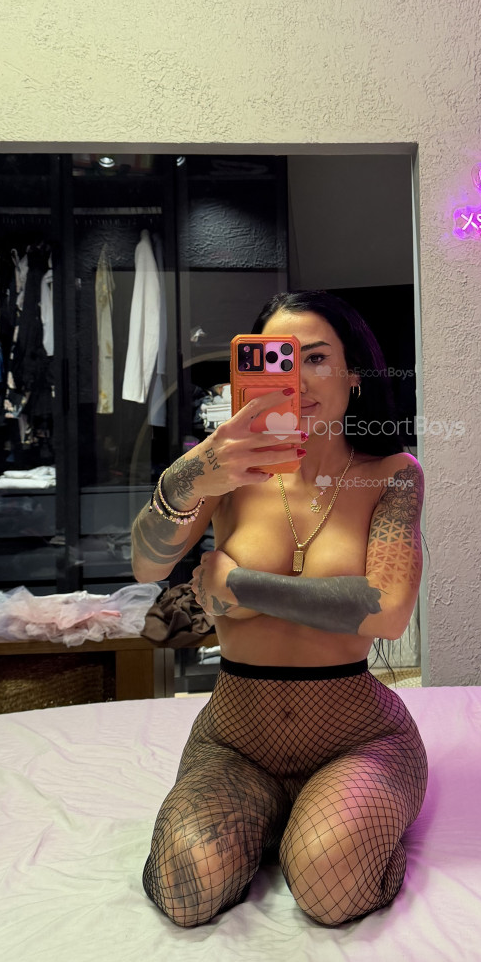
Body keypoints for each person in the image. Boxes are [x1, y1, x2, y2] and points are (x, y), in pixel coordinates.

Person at [132, 290, 428, 927]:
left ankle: (314, 826)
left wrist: (240, 587)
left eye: (315, 358)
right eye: (276, 359)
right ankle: (272, 820)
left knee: (331, 890)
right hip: (237, 742)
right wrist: (189, 476)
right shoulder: (227, 474)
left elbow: (385, 610)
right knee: (186, 891)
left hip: (356, 739)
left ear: (354, 374)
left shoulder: (392, 474)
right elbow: (148, 567)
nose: (295, 378)